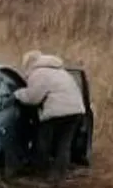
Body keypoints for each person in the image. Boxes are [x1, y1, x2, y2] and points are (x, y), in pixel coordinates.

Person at [14, 50, 87, 179]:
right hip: (76, 111)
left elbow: (33, 98)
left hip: (56, 112)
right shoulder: (61, 71)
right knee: (64, 144)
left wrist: (17, 94)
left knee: (43, 141)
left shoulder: (39, 73)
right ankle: (59, 175)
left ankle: (40, 172)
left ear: (29, 63)